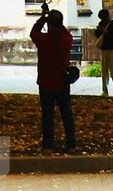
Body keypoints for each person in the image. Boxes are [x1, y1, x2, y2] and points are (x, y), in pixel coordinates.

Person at [30, 8, 77, 151]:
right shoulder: (66, 39)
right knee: (66, 113)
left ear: (49, 24)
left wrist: (43, 17)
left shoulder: (43, 40)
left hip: (46, 81)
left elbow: (33, 33)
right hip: (62, 81)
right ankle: (71, 143)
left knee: (47, 115)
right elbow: (64, 31)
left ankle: (48, 144)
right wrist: (51, 19)